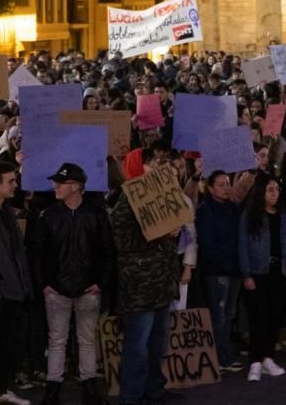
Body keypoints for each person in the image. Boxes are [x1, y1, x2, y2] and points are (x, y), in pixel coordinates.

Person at [31, 163, 113, 405]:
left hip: (84, 289)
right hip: (58, 291)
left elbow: (108, 252)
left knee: (77, 340)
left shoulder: (94, 215)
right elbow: (37, 255)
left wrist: (100, 282)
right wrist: (44, 285)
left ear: (76, 187)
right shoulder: (50, 216)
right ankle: (59, 389)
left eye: (61, 183)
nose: (55, 186)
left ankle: (73, 389)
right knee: (62, 340)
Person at [110, 163, 181, 405]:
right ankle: (131, 395)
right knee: (137, 344)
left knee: (157, 342)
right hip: (140, 287)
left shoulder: (162, 201)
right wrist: (157, 233)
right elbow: (121, 238)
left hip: (161, 284)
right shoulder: (126, 203)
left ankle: (154, 388)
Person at [238, 173, 286, 382]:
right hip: (257, 271)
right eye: (270, 190)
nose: (274, 194)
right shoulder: (250, 215)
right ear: (261, 192)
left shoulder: (285, 215)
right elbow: (243, 246)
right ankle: (255, 361)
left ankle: (268, 358)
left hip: (278, 272)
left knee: (273, 317)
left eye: (277, 190)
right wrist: (246, 274)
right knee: (257, 318)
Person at [0, 161, 31, 405]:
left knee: (5, 344)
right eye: (10, 181)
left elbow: (15, 254)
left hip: (11, 292)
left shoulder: (6, 214)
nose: (15, 185)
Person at [195, 170, 243, 374]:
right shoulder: (205, 210)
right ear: (210, 188)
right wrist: (225, 263)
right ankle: (217, 356)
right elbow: (207, 243)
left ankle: (225, 354)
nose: (226, 188)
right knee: (219, 314)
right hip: (217, 271)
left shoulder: (233, 208)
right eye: (221, 184)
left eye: (228, 183)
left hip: (235, 270)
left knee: (230, 313)